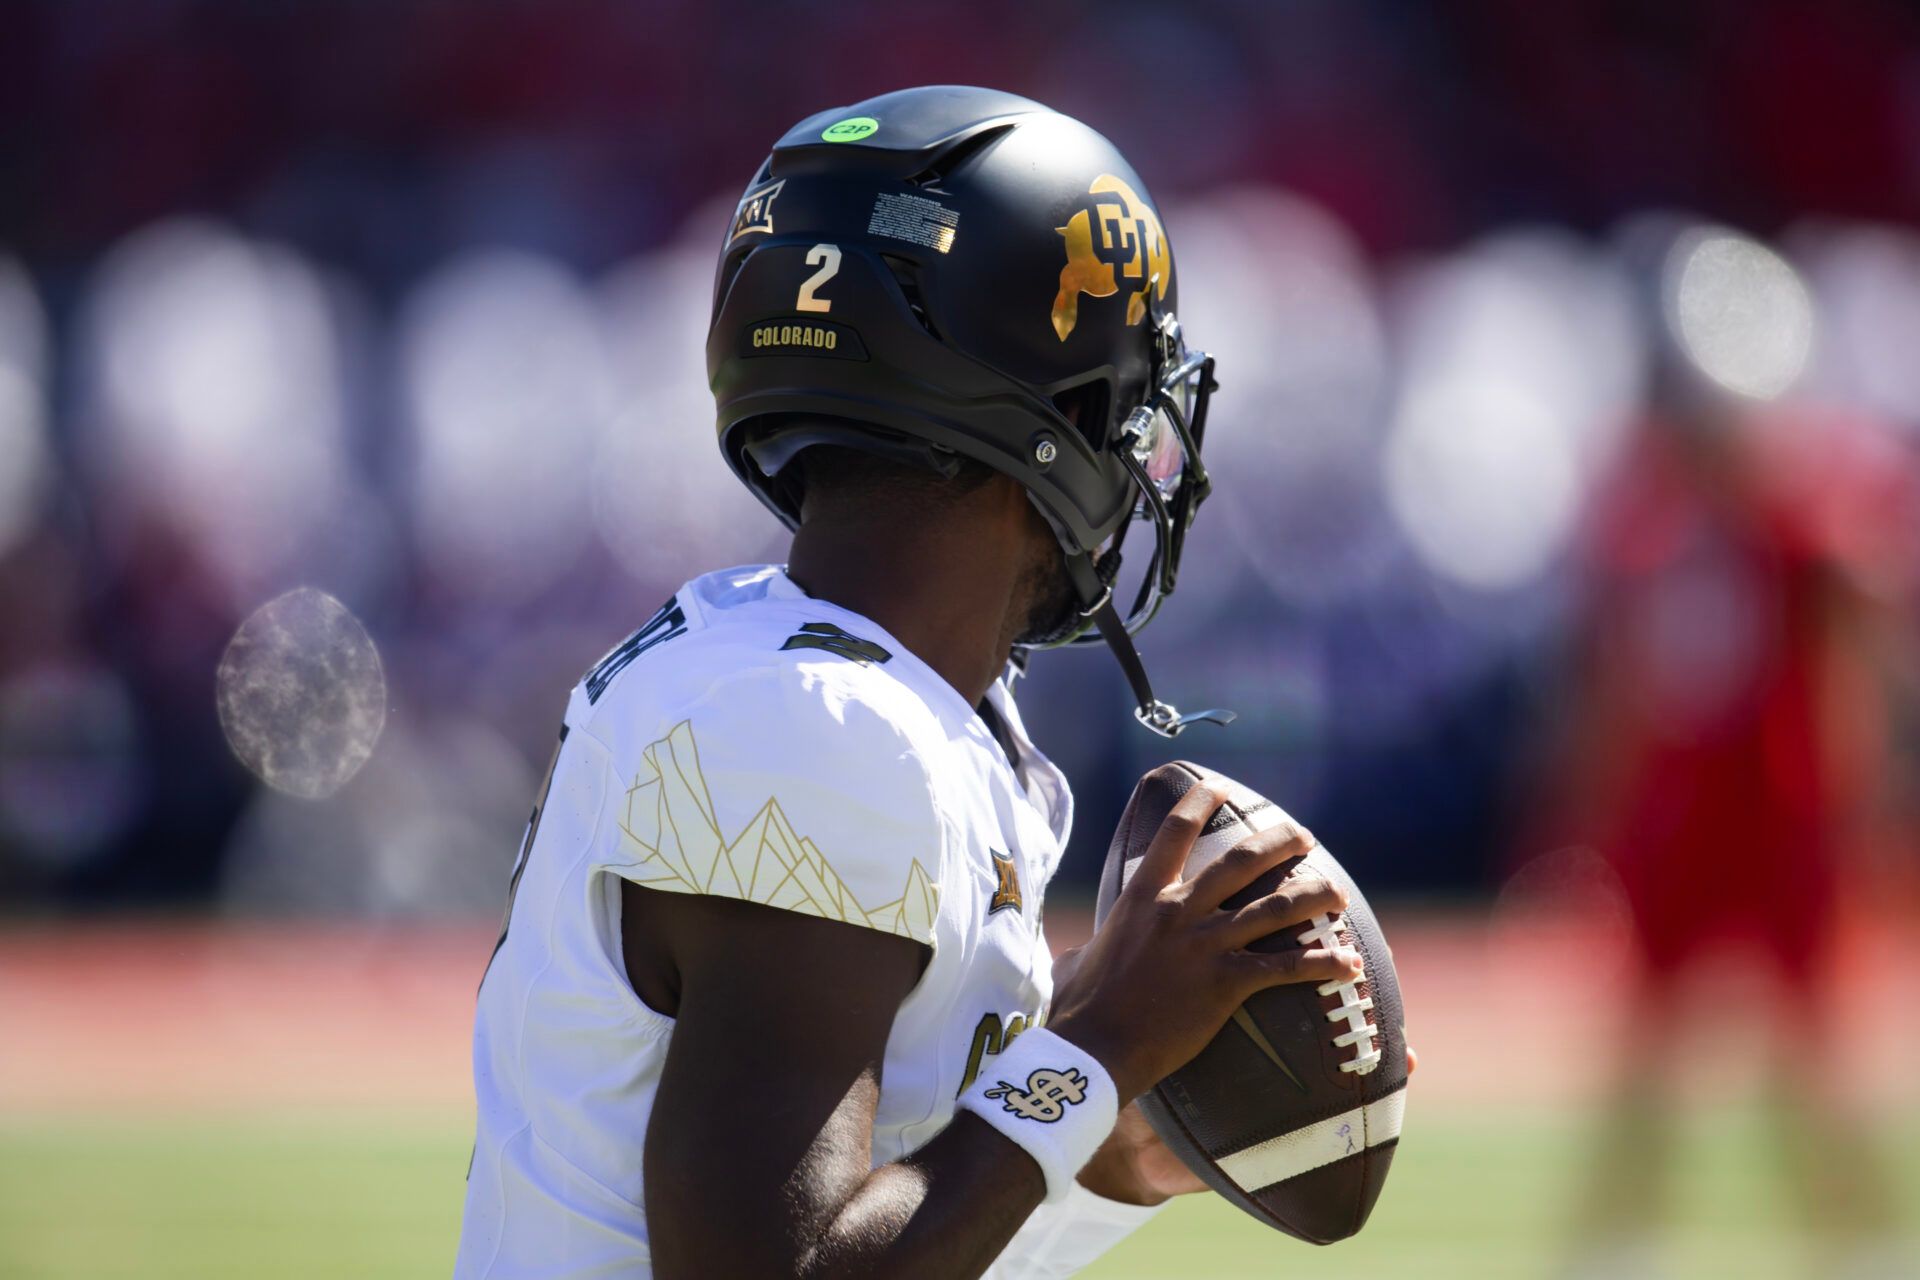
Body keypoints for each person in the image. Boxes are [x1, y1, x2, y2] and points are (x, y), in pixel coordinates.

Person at [455, 85, 1389, 1279]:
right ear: (1056, 413)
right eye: (1125, 395)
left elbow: (886, 1218)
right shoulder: (828, 727)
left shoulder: (807, 675)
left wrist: (1109, 1149)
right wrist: (1097, 1046)